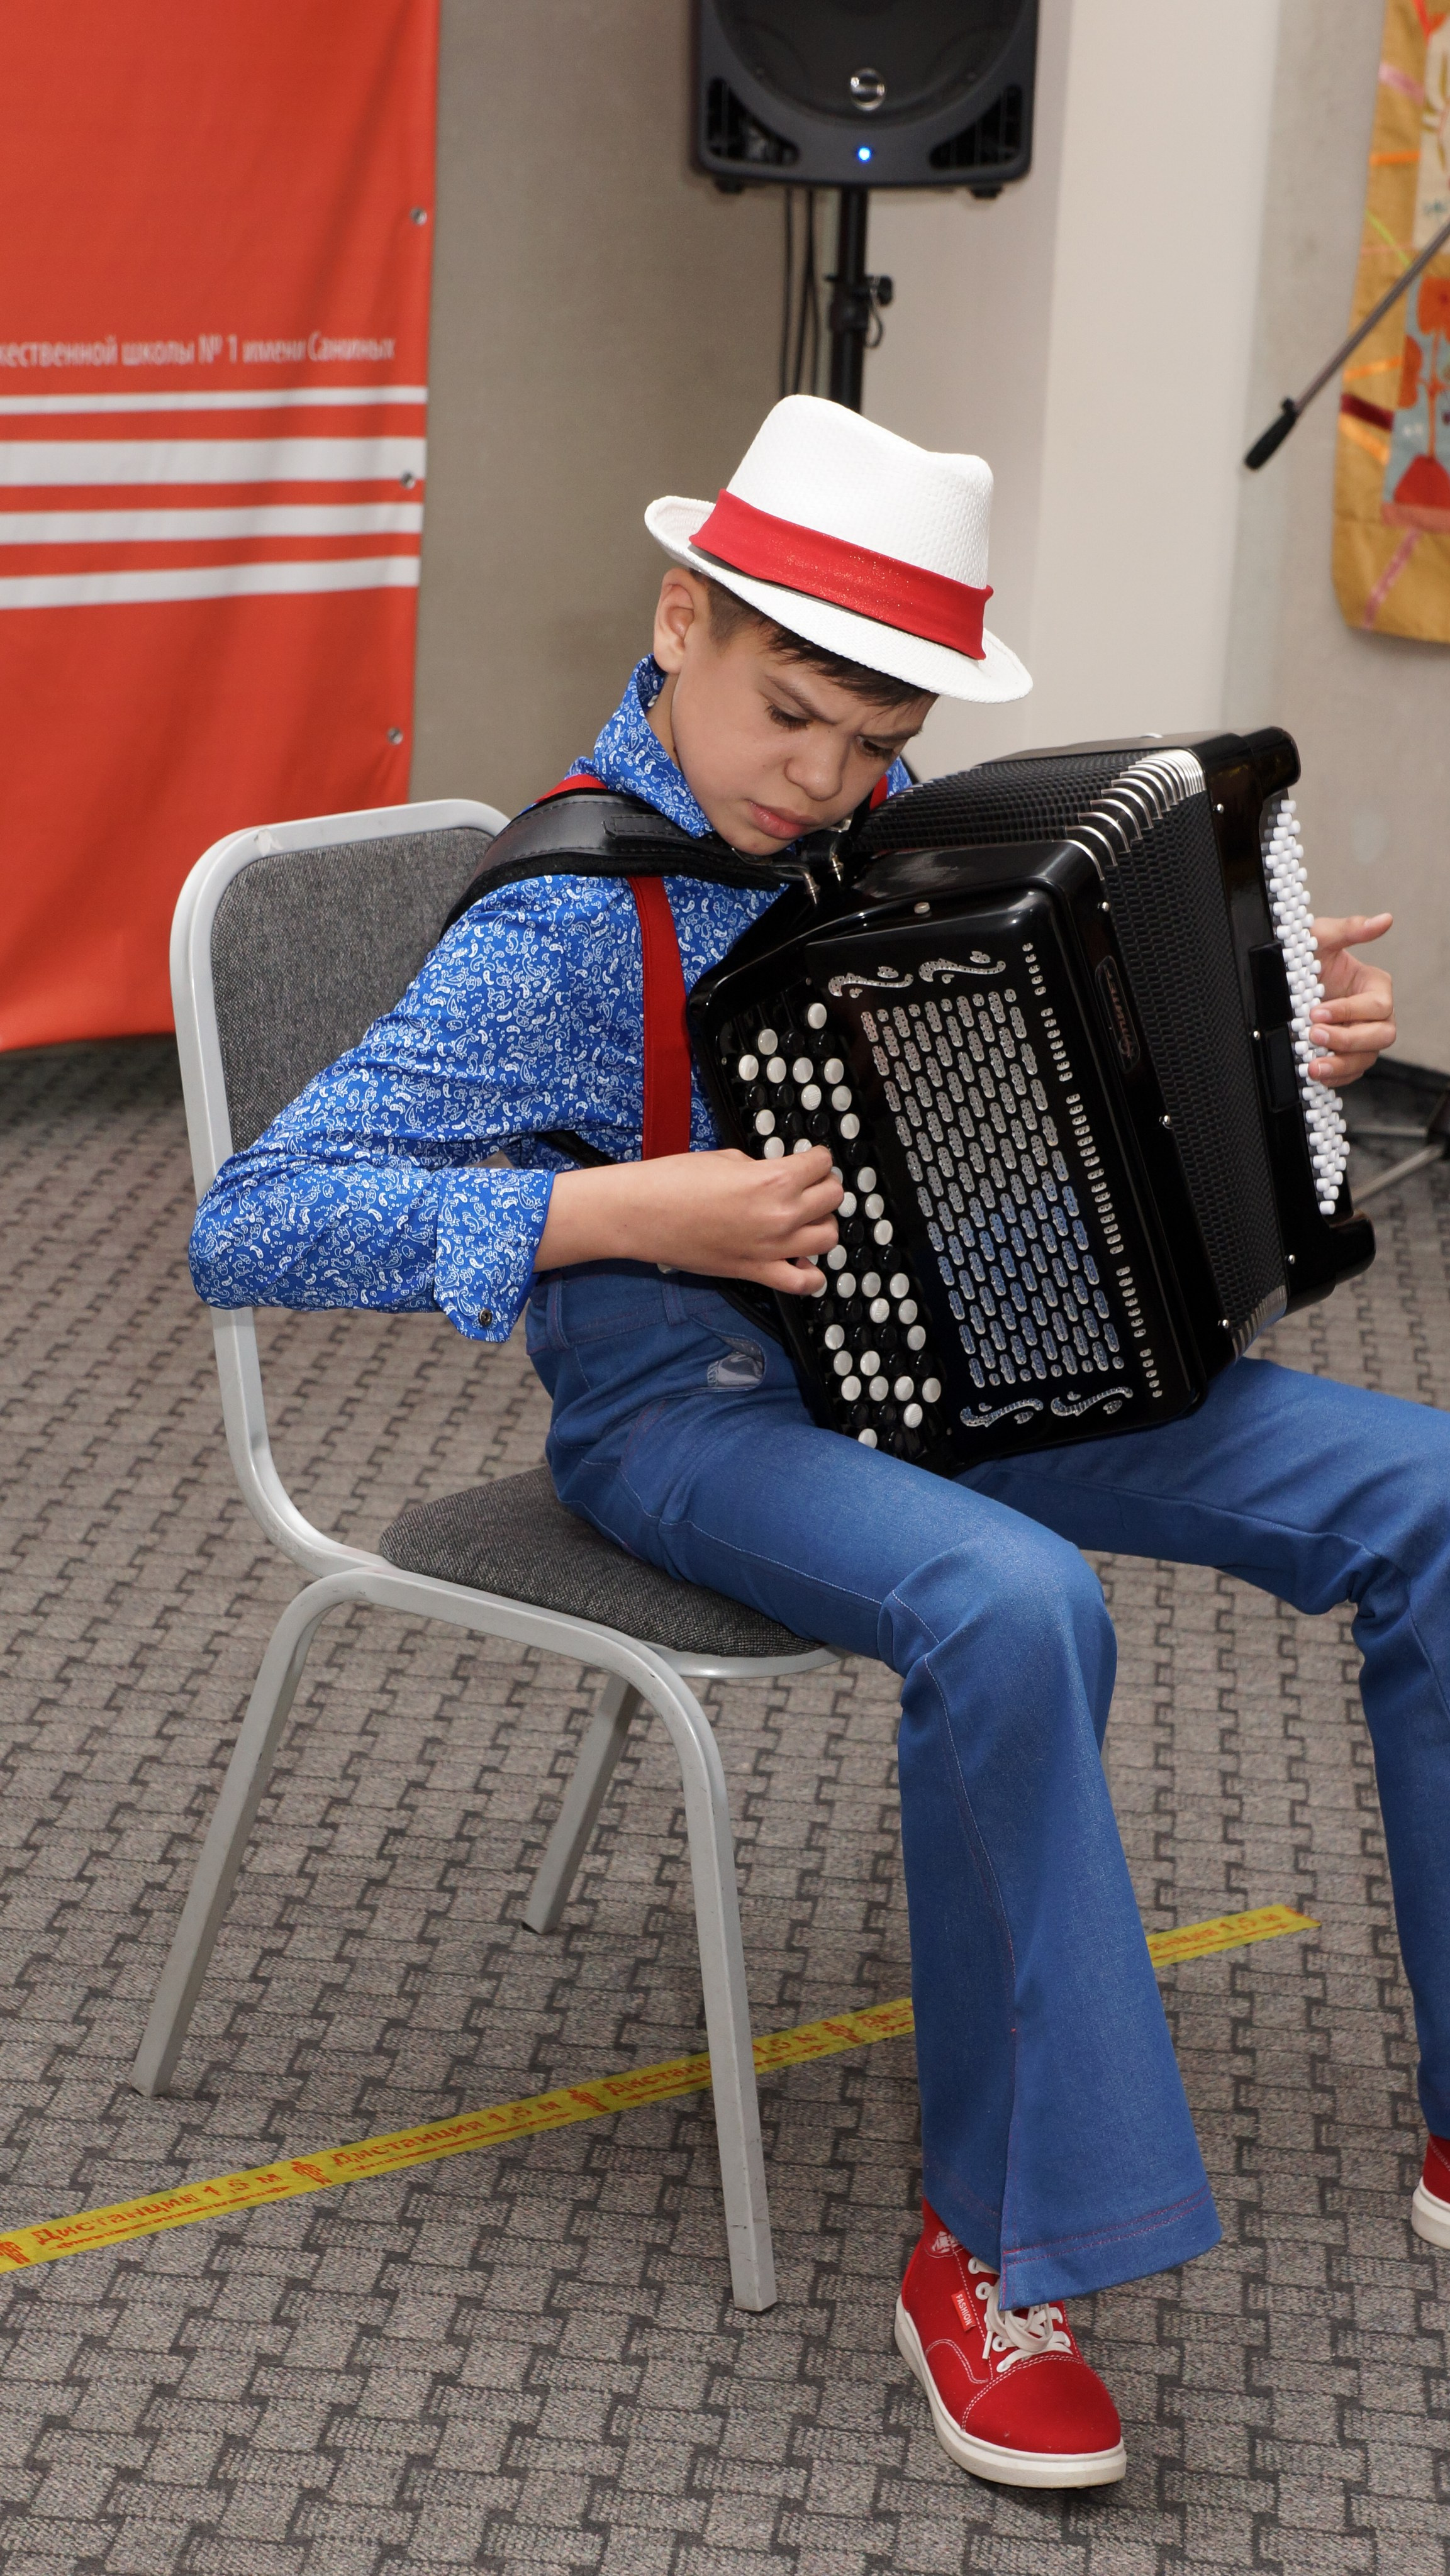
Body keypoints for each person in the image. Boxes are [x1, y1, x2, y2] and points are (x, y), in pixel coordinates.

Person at [189, 396, 1447, 2493]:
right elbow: (253, 1222)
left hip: (960, 1361)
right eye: (791, 720)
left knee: (1427, 1488)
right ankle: (995, 2253)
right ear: (677, 621)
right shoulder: (563, 925)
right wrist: (611, 1210)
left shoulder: (892, 833)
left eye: (872, 743)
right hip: (687, 1416)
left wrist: (1256, 1031)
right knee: (1005, 1598)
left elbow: (1045, 1090)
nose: (824, 785)